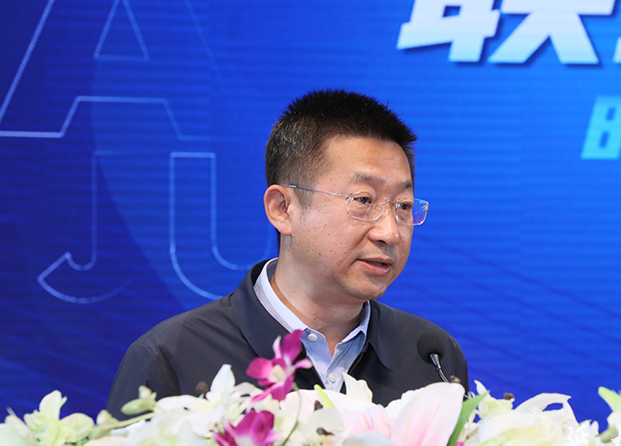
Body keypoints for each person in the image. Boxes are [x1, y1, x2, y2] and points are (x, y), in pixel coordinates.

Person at [106, 89, 468, 417]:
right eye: (363, 200)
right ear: (283, 209)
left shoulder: (431, 357)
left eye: (403, 205)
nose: (389, 231)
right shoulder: (173, 357)